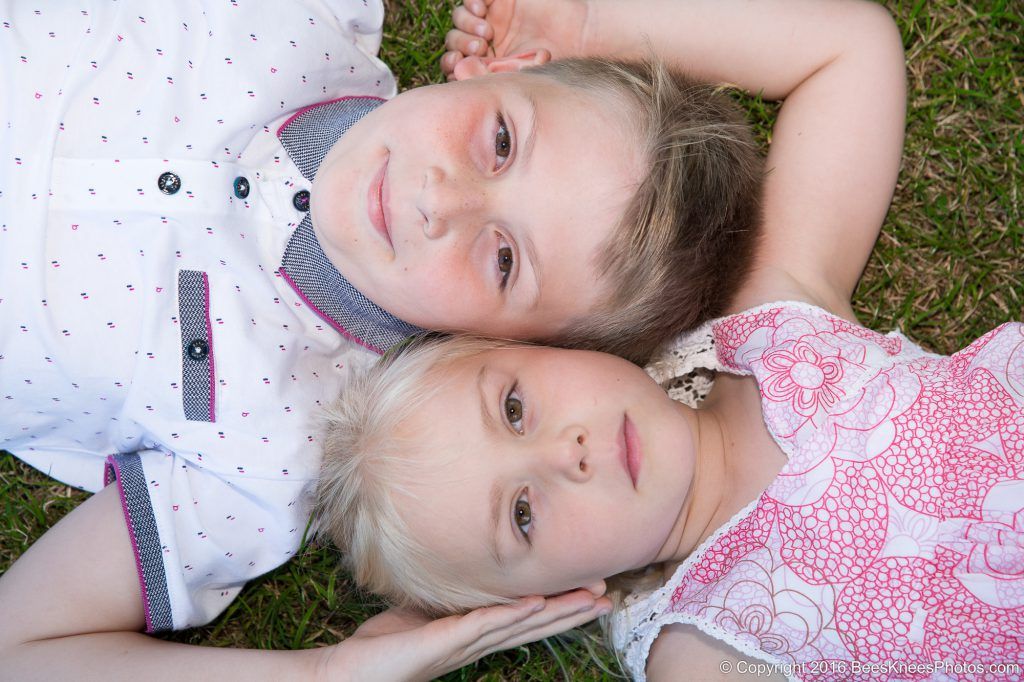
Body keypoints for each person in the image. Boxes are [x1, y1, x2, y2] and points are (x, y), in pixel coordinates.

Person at [0, 0, 763, 678]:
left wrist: (324, 673)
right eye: (500, 141)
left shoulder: (271, 451)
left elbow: (21, 647)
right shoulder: (313, 17)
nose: (439, 198)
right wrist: (584, 19)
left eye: (503, 260)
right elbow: (840, 46)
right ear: (507, 68)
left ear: (516, 346)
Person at [316, 0, 1022, 678]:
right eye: (523, 515)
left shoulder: (774, 323)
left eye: (513, 409)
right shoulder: (706, 647)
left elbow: (848, 54)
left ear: (546, 347)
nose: (569, 453)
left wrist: (592, 24)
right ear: (538, 604)